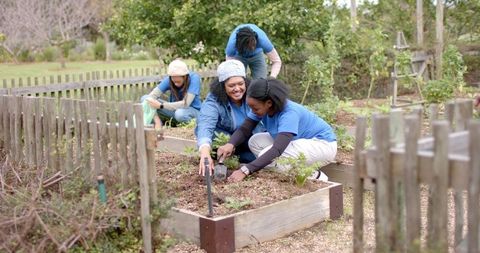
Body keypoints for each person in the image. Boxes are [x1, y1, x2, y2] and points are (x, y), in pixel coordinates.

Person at [214, 78, 337, 182]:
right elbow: (245, 128)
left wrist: (245, 170)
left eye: (255, 108)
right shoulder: (264, 107)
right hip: (299, 141)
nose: (252, 111)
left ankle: (316, 176)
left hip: (322, 145)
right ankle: (282, 167)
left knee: (267, 156)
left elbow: (277, 149)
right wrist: (230, 144)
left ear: (268, 103)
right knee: (255, 141)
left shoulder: (289, 113)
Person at [196, 59, 264, 175]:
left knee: (259, 157)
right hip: (226, 140)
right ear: (222, 86)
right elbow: (205, 124)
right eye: (231, 85)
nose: (237, 89)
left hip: (250, 139)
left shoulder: (254, 95)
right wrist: (204, 152)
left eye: (240, 84)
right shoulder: (214, 100)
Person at [141, 59, 202, 129]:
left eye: (178, 82)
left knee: (180, 114)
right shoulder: (169, 80)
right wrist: (156, 118)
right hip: (174, 111)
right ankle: (159, 122)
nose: (175, 84)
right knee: (145, 98)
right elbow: (152, 96)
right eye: (174, 81)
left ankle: (189, 124)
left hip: (191, 112)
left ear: (185, 77)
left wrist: (161, 106)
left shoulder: (194, 78)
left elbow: (185, 104)